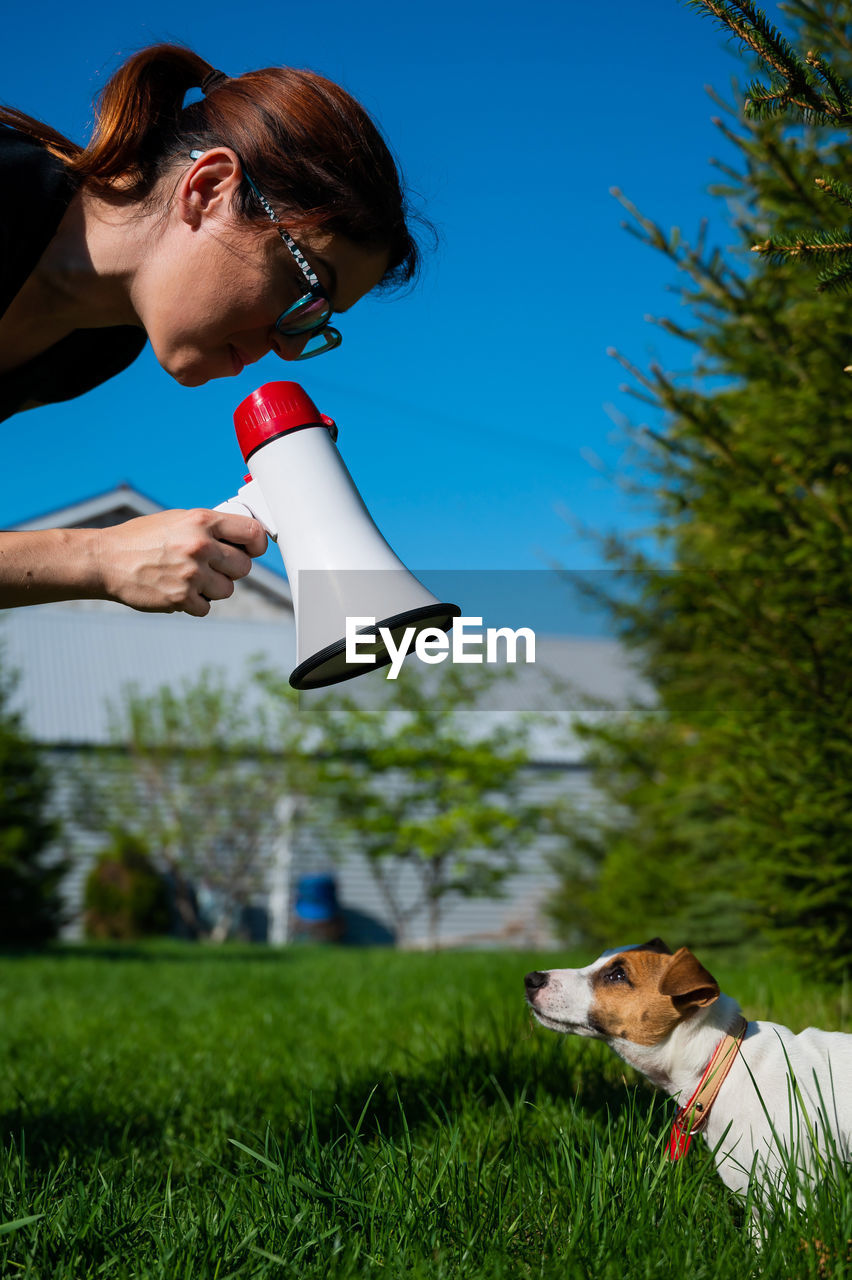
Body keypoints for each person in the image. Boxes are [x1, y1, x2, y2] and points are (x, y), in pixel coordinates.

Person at [0, 44, 422, 616]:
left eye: (318, 322)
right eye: (308, 289)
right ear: (209, 190)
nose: (289, 349)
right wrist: (93, 557)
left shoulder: (95, 348)